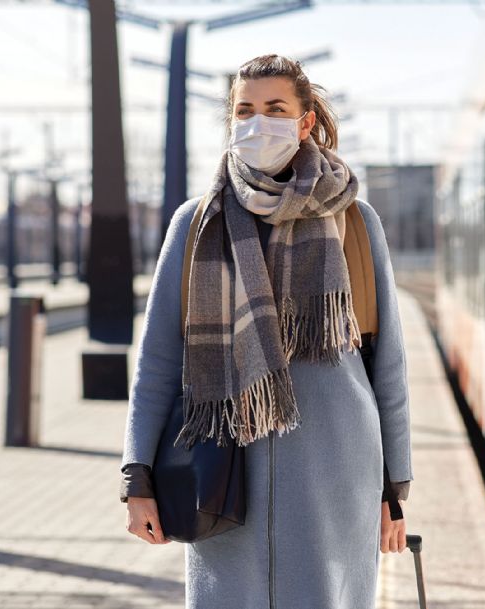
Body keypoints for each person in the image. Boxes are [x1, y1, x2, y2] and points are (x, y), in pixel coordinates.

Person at [118, 53, 414, 609]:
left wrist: (394, 488)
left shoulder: (354, 222)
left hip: (337, 470)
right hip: (223, 472)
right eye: (244, 111)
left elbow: (388, 366)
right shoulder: (195, 223)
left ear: (305, 122)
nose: (258, 123)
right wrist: (138, 479)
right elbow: (157, 363)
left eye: (275, 108)